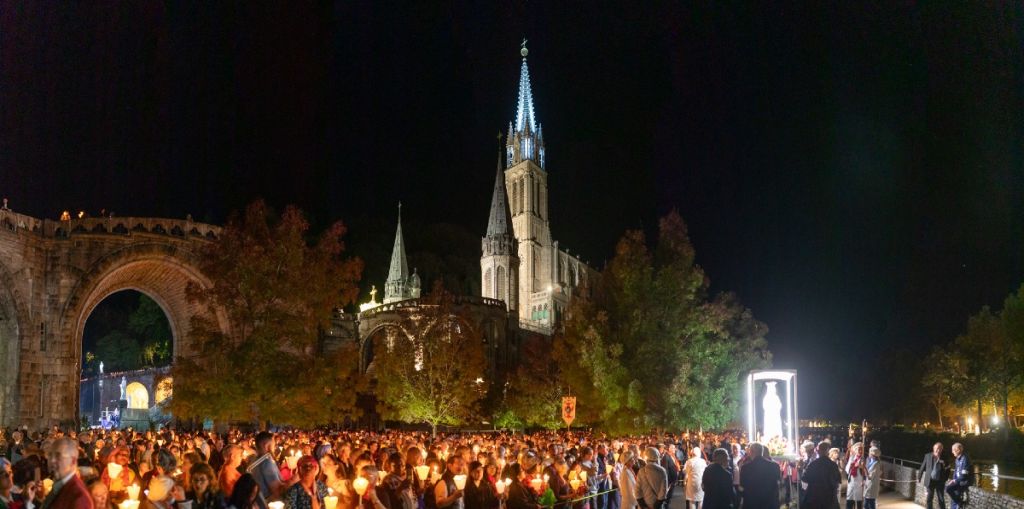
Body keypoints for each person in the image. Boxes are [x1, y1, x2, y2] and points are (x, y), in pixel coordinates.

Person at [42, 438, 94, 509]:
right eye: (50, 455)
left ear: (73, 461)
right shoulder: (59, 485)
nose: (52, 460)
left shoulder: (79, 497)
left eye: (58, 456)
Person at [248, 432, 296, 509]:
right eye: (273, 445)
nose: (275, 447)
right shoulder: (266, 463)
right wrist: (295, 479)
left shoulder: (253, 460)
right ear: (266, 446)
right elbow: (277, 491)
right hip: (268, 504)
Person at [738, 443, 779, 509]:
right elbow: (776, 484)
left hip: (751, 503)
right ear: (762, 452)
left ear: (751, 452)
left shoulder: (745, 467)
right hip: (769, 502)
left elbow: (742, 487)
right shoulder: (774, 466)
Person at [802, 442, 840, 509]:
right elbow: (838, 480)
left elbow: (804, 478)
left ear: (818, 451)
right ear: (828, 451)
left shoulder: (813, 464)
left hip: (815, 498)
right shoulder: (833, 465)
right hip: (829, 499)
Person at [918, 442, 947, 509]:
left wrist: (945, 478)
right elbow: (922, 467)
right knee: (929, 498)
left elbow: (948, 469)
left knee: (941, 499)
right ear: (934, 448)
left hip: (940, 482)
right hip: (930, 481)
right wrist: (919, 477)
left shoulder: (944, 457)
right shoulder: (927, 456)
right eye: (937, 448)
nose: (938, 450)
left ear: (942, 450)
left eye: (940, 449)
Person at [944, 443, 971, 509]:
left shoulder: (965, 458)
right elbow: (956, 472)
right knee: (949, 490)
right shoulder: (957, 459)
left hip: (963, 482)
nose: (952, 452)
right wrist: (953, 480)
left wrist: (955, 480)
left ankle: (959, 503)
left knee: (948, 489)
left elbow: (964, 475)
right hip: (958, 481)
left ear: (958, 450)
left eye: (953, 450)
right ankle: (959, 503)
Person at [844, 443, 865, 509]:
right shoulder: (852, 458)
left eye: (861, 450)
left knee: (859, 500)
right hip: (852, 481)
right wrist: (852, 466)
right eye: (859, 450)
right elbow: (847, 469)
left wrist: (861, 467)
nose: (860, 451)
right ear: (855, 451)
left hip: (859, 481)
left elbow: (866, 471)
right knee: (850, 498)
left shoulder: (863, 459)